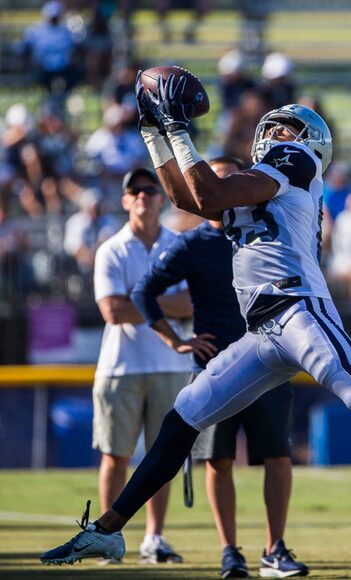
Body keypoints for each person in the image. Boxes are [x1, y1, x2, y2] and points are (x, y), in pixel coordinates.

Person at [40, 71, 351, 566]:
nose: (274, 133)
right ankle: (108, 531)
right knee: (183, 418)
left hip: (299, 310)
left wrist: (177, 129)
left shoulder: (296, 160)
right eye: (275, 127)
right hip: (261, 332)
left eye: (285, 127)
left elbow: (209, 195)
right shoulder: (260, 178)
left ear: (307, 141)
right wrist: (155, 132)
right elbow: (188, 198)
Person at [131, 155, 306, 578]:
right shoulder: (193, 244)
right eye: (210, 181)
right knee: (218, 460)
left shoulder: (269, 235)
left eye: (227, 180)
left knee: (278, 456)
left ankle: (274, 549)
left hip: (269, 361)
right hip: (214, 368)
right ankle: (230, 551)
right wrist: (176, 340)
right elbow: (144, 291)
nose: (218, 189)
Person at [91, 167, 194, 564]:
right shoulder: (111, 249)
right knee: (115, 456)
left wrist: (143, 305)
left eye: (150, 190)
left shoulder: (178, 245)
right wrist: (161, 306)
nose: (143, 196)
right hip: (120, 367)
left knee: (161, 457)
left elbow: (191, 304)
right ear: (124, 199)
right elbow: (112, 311)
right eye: (134, 191)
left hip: (170, 363)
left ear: (160, 197)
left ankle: (154, 537)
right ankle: (107, 535)